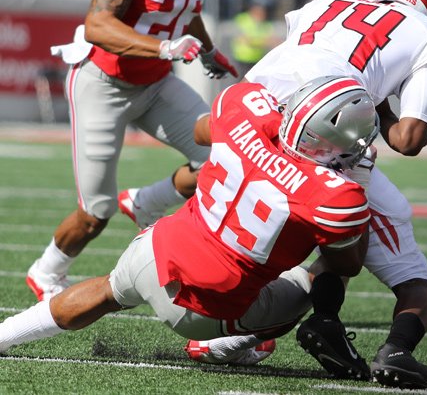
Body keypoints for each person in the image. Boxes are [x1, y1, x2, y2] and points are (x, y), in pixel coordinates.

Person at [0, 76, 378, 368]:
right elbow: (348, 264)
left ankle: (4, 335)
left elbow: (201, 133)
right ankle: (221, 347)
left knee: (106, 291)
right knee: (308, 284)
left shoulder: (243, 108)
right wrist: (358, 179)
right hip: (206, 314)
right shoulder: (335, 196)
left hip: (155, 251)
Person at [243, 0, 427, 390]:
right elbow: (409, 138)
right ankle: (393, 348)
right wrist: (377, 96)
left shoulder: (321, 4)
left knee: (242, 227)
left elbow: (313, 61)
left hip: (249, 111)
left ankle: (238, 335)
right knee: (369, 244)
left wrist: (372, 84)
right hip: (324, 128)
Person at [27, 0, 239, 303]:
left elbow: (184, 10)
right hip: (103, 83)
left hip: (156, 82)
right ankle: (46, 271)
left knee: (224, 156)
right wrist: (164, 47)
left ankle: (146, 202)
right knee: (95, 214)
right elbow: (98, 24)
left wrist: (208, 50)